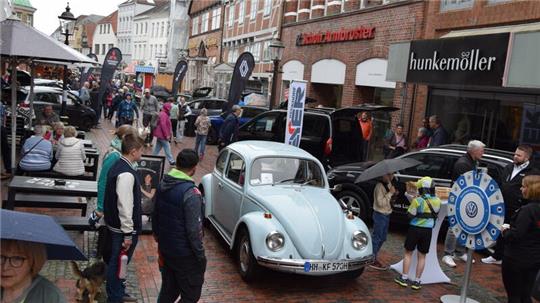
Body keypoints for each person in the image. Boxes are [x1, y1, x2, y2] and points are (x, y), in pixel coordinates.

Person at [153, 149, 206, 303]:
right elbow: (194, 231)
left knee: (169, 291)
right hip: (185, 254)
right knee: (191, 295)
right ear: (194, 168)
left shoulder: (163, 183)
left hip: (167, 248)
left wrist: (159, 239)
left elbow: (155, 213)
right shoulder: (191, 193)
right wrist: (200, 256)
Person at [103, 133, 144, 303]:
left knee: (118, 262)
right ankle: (115, 296)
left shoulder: (119, 165)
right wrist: (128, 233)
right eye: (141, 150)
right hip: (121, 229)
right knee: (118, 263)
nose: (142, 153)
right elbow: (125, 205)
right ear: (133, 151)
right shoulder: (126, 173)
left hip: (114, 225)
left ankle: (117, 291)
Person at [482, 145, 539, 265]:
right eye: (515, 154)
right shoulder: (508, 167)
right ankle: (497, 256)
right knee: (502, 230)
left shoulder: (533, 172)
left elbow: (533, 191)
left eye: (519, 155)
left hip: (519, 208)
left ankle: (506, 257)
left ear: (527, 157)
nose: (515, 157)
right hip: (502, 205)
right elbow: (502, 183)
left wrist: (521, 203)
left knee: (514, 233)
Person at [442, 140, 485, 268]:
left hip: (467, 199)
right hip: (459, 199)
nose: (483, 153)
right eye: (481, 150)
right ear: (473, 151)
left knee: (464, 226)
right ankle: (447, 254)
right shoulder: (463, 164)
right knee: (454, 226)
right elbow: (463, 184)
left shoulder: (473, 162)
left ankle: (459, 252)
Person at [394, 177, 441, 290]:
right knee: (422, 256)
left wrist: (414, 201)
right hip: (428, 231)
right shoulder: (437, 201)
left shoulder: (417, 201)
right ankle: (417, 281)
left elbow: (410, 215)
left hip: (415, 229)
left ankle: (404, 278)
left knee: (408, 253)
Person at [500, 175, 540, 303]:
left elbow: (516, 235)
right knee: (525, 294)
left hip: (516, 259)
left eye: (523, 186)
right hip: (534, 258)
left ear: (531, 190)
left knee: (514, 295)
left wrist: (505, 231)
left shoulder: (527, 210)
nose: (521, 189)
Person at [90, 124, 136, 229]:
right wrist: (100, 208)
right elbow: (103, 181)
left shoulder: (126, 152)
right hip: (114, 201)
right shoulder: (115, 155)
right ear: (125, 137)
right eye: (133, 137)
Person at [1, 239, 66, 303]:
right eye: (1, 257)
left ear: (34, 261)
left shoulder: (49, 296)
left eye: (17, 258)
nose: (5, 267)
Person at [370, 173, 397, 270]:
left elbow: (390, 199)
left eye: (392, 175)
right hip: (380, 214)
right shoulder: (379, 186)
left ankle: (374, 254)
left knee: (383, 237)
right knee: (377, 236)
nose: (390, 177)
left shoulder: (389, 184)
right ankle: (372, 258)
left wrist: (393, 193)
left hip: (387, 214)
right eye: (388, 175)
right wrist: (390, 193)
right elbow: (380, 203)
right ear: (383, 175)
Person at [0, 100, 11, 179]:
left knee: (5, 149)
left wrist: (3, 126)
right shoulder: (1, 104)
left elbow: (4, 116)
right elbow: (4, 117)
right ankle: (8, 169)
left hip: (1, 128)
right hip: (1, 128)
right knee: (5, 149)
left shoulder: (1, 104)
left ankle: (8, 169)